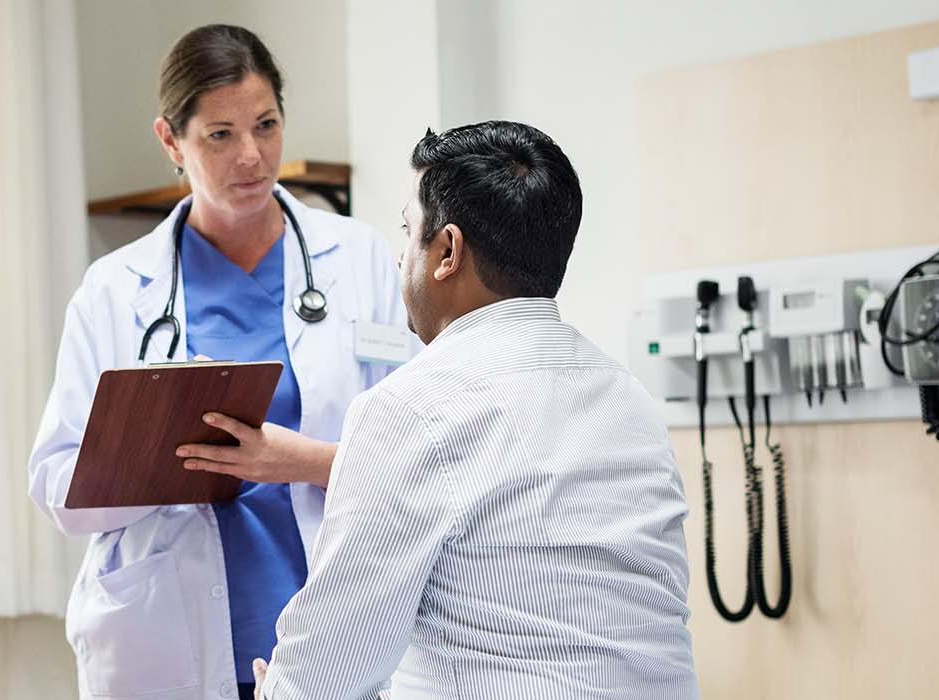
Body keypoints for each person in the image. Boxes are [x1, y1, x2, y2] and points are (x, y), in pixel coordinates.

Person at [27, 24, 410, 700]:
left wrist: (297, 460)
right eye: (220, 135)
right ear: (172, 141)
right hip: (168, 638)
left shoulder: (360, 259)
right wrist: (150, 455)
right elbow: (56, 483)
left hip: (326, 628)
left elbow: (414, 452)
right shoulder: (114, 290)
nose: (252, 157)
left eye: (266, 125)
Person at [253, 121, 699, 699]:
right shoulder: (629, 398)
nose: (398, 257)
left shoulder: (407, 409)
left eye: (410, 233)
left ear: (447, 252)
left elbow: (327, 673)